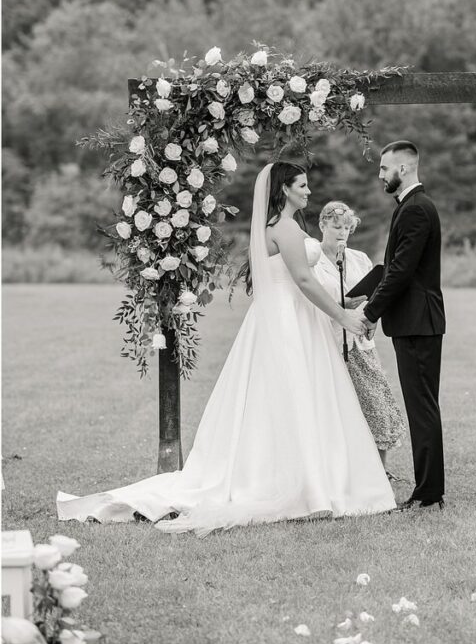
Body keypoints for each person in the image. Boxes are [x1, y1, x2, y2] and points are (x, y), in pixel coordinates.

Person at [57, 162, 396, 533]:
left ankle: (315, 477)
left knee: (305, 395)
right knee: (294, 392)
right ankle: (306, 486)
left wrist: (344, 304)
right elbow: (301, 280)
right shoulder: (282, 228)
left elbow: (308, 278)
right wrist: (343, 318)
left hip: (297, 317)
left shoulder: (289, 227)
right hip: (288, 319)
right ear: (284, 189)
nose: (309, 191)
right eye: (302, 185)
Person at [361, 141, 446, 511]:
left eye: (384, 169)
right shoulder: (410, 207)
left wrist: (369, 312)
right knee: (421, 406)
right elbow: (392, 268)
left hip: (417, 322)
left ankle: (429, 494)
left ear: (405, 169)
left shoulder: (415, 209)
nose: (380, 175)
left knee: (422, 408)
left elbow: (402, 271)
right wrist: (363, 293)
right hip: (414, 321)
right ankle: (429, 489)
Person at [313, 201, 406, 472]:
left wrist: (371, 314)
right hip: (327, 340)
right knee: (333, 408)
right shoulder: (312, 260)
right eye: (336, 226)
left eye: (347, 228)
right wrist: (342, 305)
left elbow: (373, 295)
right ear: (322, 225)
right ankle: (335, 467)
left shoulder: (359, 258)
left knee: (376, 403)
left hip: (360, 341)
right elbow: (311, 298)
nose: (342, 233)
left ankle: (380, 469)